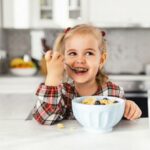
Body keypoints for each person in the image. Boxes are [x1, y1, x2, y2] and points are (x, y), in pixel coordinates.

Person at [32, 24, 142, 125]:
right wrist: (53, 76)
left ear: (101, 60)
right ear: (63, 60)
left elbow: (124, 123)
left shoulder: (113, 93)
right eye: (73, 53)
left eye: (89, 53)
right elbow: (44, 118)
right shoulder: (62, 94)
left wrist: (129, 108)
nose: (80, 60)